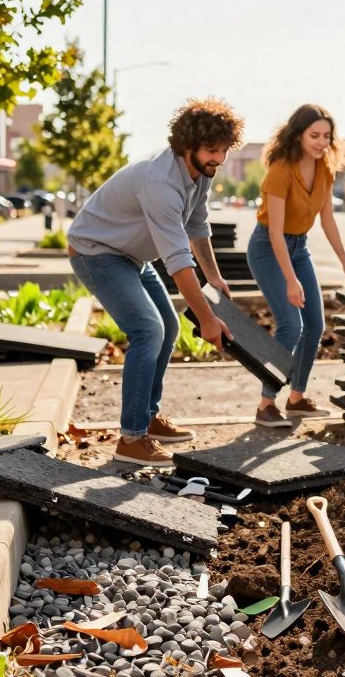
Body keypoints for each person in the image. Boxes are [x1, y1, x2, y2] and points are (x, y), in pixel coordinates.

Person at [67, 98, 241, 467]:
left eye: (224, 151)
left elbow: (196, 227)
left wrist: (213, 276)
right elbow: (177, 261)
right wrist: (208, 319)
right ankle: (131, 439)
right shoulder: (160, 181)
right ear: (187, 145)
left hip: (129, 256)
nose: (219, 159)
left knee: (169, 326)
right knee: (147, 329)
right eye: (212, 150)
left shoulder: (199, 174)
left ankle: (147, 416)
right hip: (96, 252)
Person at [247, 104, 345, 428]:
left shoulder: (325, 168)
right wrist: (291, 280)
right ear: (297, 134)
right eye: (314, 135)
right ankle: (266, 405)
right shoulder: (280, 169)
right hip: (268, 247)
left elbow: (327, 220)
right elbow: (277, 234)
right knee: (290, 327)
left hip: (299, 248)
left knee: (315, 326)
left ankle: (296, 398)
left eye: (327, 136)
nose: (322, 142)